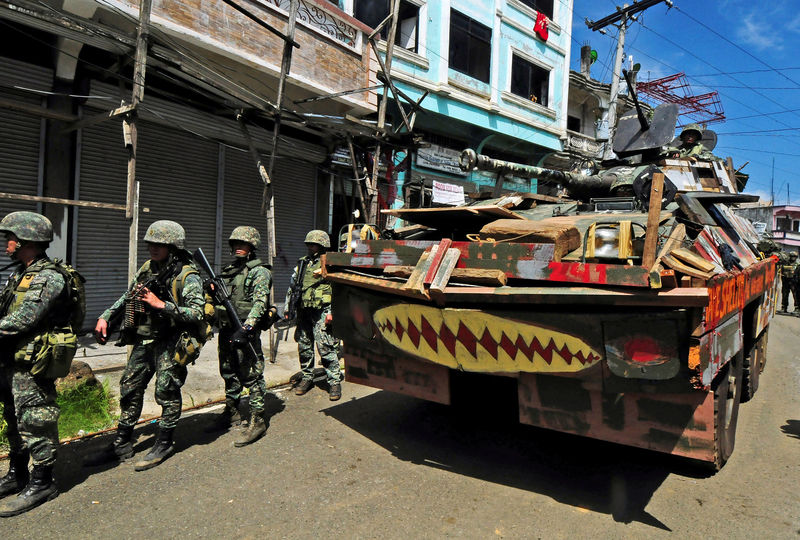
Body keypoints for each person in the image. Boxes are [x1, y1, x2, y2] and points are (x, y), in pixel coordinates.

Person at [90, 220, 204, 471]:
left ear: (173, 246)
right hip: (145, 338)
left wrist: (160, 304)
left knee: (166, 391)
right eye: (150, 243)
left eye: (159, 244)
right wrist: (107, 315)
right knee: (129, 387)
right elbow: (129, 294)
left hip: (171, 340)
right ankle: (122, 442)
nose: (153, 247)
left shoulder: (187, 275)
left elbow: (197, 314)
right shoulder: (148, 267)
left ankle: (164, 443)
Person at [0, 212, 79, 516]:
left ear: (25, 240)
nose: (6, 242)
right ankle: (17, 473)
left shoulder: (49, 277)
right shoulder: (20, 273)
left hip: (33, 361)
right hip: (11, 359)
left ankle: (43, 482)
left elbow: (23, 319)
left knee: (35, 420)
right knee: (13, 418)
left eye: (10, 236)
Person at [206, 226, 273, 446]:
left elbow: (260, 303)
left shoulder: (259, 271)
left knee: (252, 374)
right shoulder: (229, 270)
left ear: (252, 247)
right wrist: (211, 291)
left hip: (245, 331)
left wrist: (247, 328)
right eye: (235, 244)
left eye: (242, 244)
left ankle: (258, 419)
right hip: (226, 329)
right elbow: (221, 300)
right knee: (227, 370)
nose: (238, 248)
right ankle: (232, 411)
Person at [286, 230, 342, 401]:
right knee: (304, 344)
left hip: (322, 310)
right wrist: (288, 307)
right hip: (304, 309)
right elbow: (293, 285)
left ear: (322, 245)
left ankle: (334, 381)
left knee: (325, 346)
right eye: (309, 244)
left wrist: (333, 312)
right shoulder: (303, 263)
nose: (310, 247)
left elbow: (338, 289)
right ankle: (307, 377)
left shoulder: (331, 262)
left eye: (314, 244)